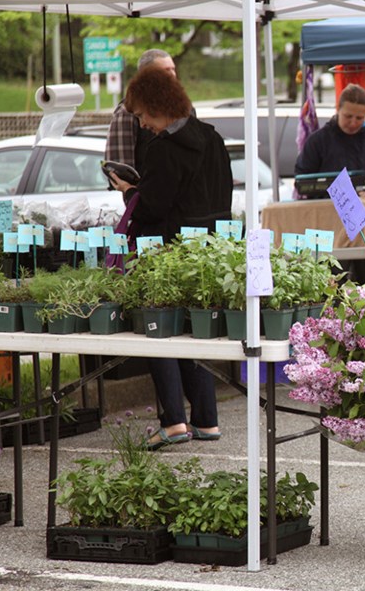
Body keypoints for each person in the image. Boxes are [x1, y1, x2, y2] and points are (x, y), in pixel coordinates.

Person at [108, 67, 232, 451]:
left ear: (158, 107)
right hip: (208, 250)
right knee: (196, 331)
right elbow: (224, 192)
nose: (142, 124)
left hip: (164, 250)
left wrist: (131, 191)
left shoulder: (162, 149)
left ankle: (174, 420)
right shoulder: (212, 138)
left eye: (143, 115)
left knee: (158, 330)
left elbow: (155, 207)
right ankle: (207, 420)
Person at [295, 83, 365, 197]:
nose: (353, 123)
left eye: (359, 118)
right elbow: (301, 179)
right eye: (348, 116)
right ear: (338, 109)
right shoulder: (317, 141)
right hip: (327, 208)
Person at [105, 48, 177, 169]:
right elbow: (121, 170)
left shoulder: (184, 109)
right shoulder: (129, 111)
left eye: (173, 69)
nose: (172, 75)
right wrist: (133, 188)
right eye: (166, 70)